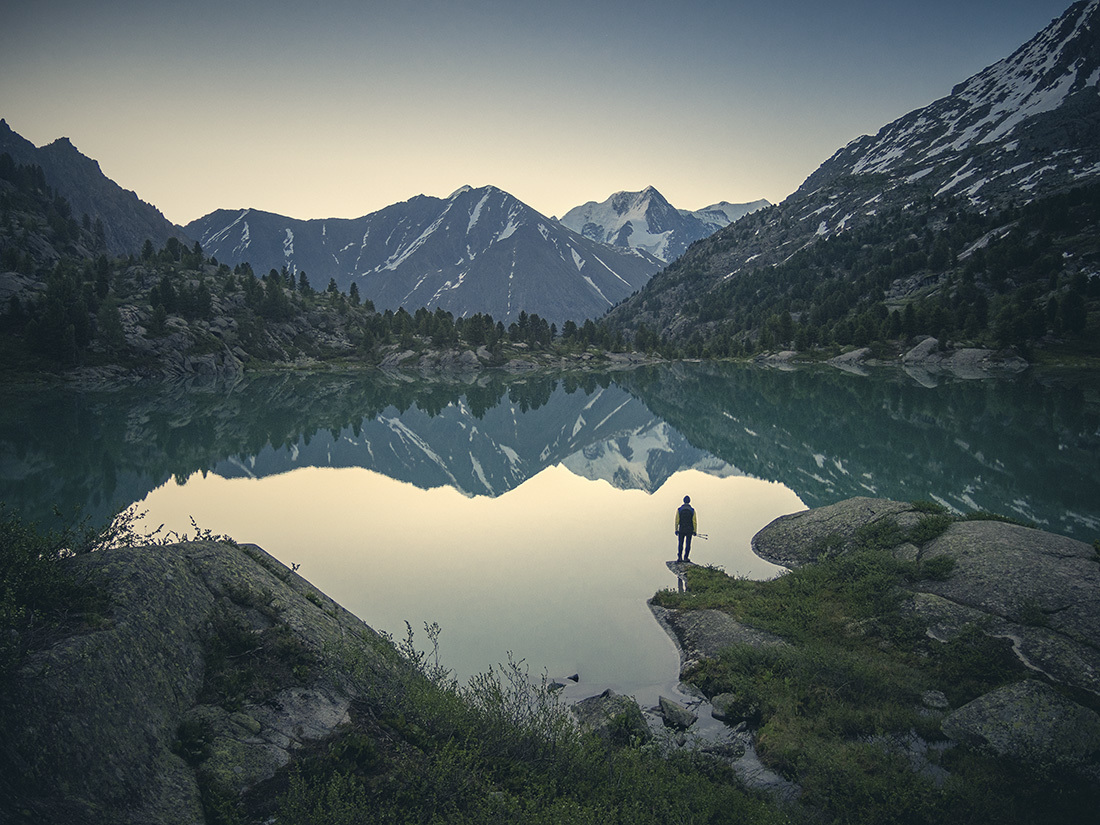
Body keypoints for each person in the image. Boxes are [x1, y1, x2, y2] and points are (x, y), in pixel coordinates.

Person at [675, 495, 697, 562]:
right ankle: (686, 558)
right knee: (688, 544)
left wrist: (676, 529)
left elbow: (677, 520)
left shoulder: (679, 509)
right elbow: (694, 521)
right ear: (689, 501)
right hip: (689, 530)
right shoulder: (692, 510)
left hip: (681, 529)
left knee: (680, 543)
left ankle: (679, 557)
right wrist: (694, 531)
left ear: (683, 501)